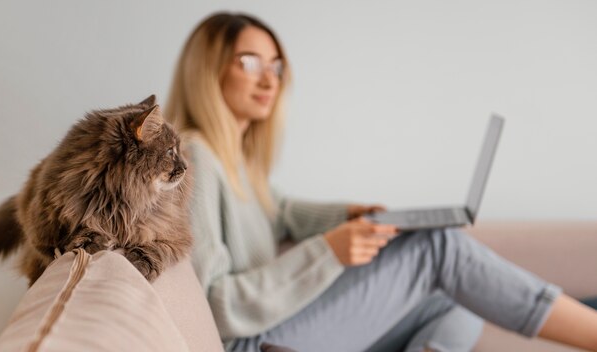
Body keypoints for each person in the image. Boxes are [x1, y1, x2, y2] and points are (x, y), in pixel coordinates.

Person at [165, 12, 597, 352]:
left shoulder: (236, 163)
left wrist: (348, 215)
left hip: (275, 329)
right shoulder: (196, 159)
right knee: (437, 248)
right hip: (249, 343)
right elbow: (216, 305)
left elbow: (282, 212)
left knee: (458, 299)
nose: (269, 78)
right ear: (209, 69)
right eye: (251, 62)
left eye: (277, 66)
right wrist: (329, 252)